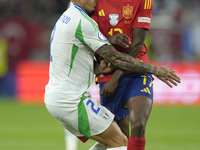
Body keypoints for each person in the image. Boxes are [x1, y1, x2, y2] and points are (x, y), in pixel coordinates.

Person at [44, 0, 180, 150]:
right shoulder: (81, 21)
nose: (96, 0)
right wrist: (156, 70)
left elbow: (73, 59)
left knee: (110, 141)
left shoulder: (67, 17)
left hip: (60, 97)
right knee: (120, 141)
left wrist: (98, 69)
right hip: (71, 100)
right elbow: (116, 58)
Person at [90, 0, 173, 150]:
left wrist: (116, 78)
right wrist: (109, 40)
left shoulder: (144, 1)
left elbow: (137, 43)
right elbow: (90, 38)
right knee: (120, 138)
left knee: (139, 124)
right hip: (108, 68)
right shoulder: (95, 2)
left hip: (136, 68)